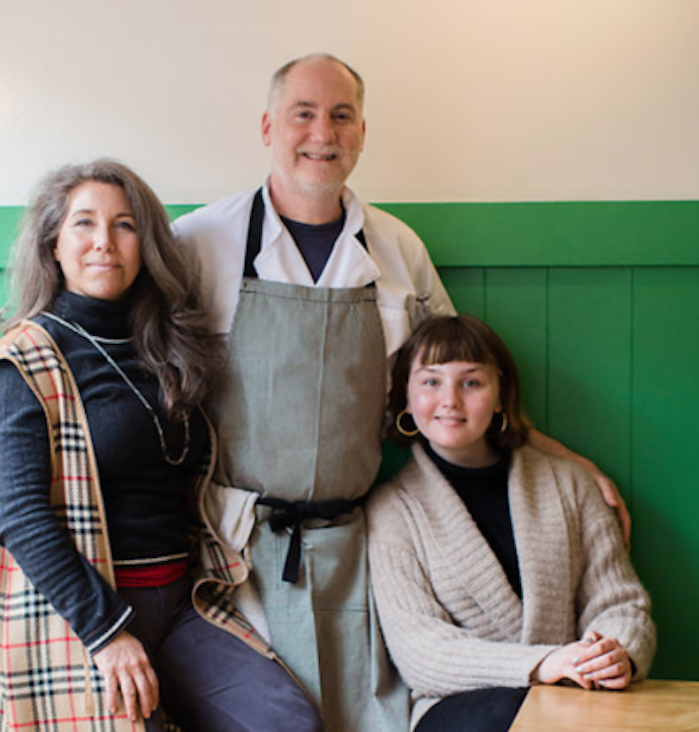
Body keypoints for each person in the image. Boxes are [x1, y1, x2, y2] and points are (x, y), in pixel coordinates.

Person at [173, 53, 630, 731]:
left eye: (341, 115)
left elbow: (450, 385)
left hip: (353, 545)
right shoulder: (198, 242)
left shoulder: (395, 248)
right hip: (234, 548)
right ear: (268, 125)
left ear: (361, 132)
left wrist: (571, 464)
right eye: (303, 113)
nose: (321, 132)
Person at [0, 159, 323, 732]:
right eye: (84, 224)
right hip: (83, 614)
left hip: (181, 606)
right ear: (53, 244)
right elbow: (21, 518)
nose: (104, 242)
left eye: (125, 225)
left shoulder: (165, 349)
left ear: (146, 244)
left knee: (285, 722)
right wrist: (108, 634)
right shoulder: (21, 362)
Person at [366, 315, 656, 732]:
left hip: (577, 699)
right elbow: (421, 651)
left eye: (471, 382)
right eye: (431, 382)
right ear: (406, 399)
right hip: (460, 711)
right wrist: (542, 663)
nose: (450, 400)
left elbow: (619, 603)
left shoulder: (570, 484)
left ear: (501, 395)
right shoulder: (392, 510)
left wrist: (613, 653)